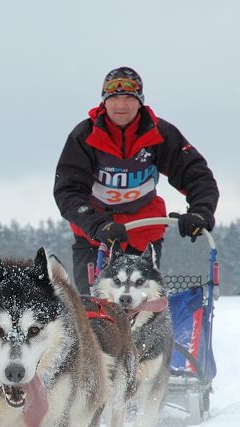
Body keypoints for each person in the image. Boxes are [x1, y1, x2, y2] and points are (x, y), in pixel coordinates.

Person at [54, 66, 220, 294]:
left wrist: (201, 211)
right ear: (104, 101)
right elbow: (68, 191)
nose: (121, 105)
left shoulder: (160, 134)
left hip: (143, 233)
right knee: (93, 308)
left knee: (143, 306)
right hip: (96, 236)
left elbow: (197, 175)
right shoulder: (84, 136)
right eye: (114, 98)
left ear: (140, 101)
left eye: (128, 98)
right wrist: (95, 224)